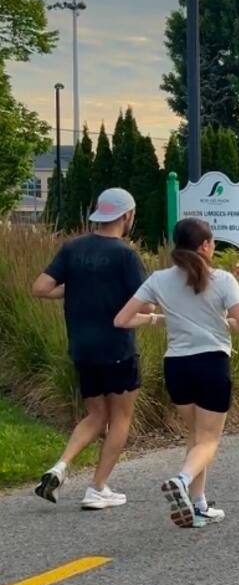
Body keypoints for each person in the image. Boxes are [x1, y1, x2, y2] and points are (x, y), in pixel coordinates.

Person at [114, 217, 239, 528]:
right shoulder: (223, 279)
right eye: (213, 242)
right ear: (205, 245)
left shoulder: (159, 279)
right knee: (210, 440)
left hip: (177, 365)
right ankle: (182, 480)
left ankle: (198, 503)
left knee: (195, 437)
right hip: (212, 363)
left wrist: (155, 320)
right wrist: (219, 322)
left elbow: (122, 320)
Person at [32, 187, 146, 509]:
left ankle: (60, 466)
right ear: (127, 216)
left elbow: (40, 288)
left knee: (96, 415)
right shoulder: (126, 254)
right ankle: (97, 487)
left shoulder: (72, 247)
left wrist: (73, 290)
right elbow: (145, 300)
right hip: (118, 349)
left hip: (82, 349)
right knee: (121, 417)